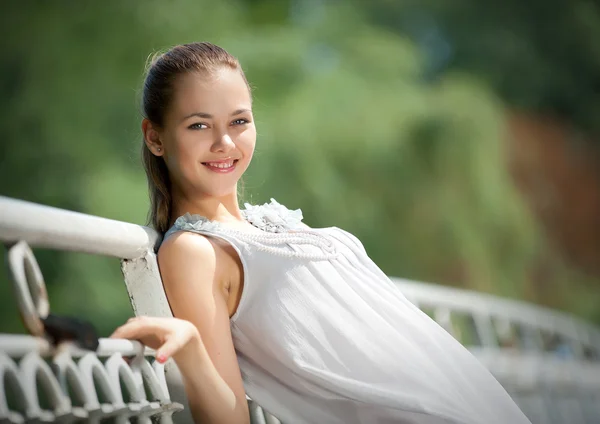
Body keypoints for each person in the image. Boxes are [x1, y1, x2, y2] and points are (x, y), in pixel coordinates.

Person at [110, 42, 532, 424]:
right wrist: (190, 348)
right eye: (199, 126)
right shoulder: (194, 251)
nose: (225, 141)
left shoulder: (267, 221)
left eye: (239, 120)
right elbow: (229, 418)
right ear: (156, 138)